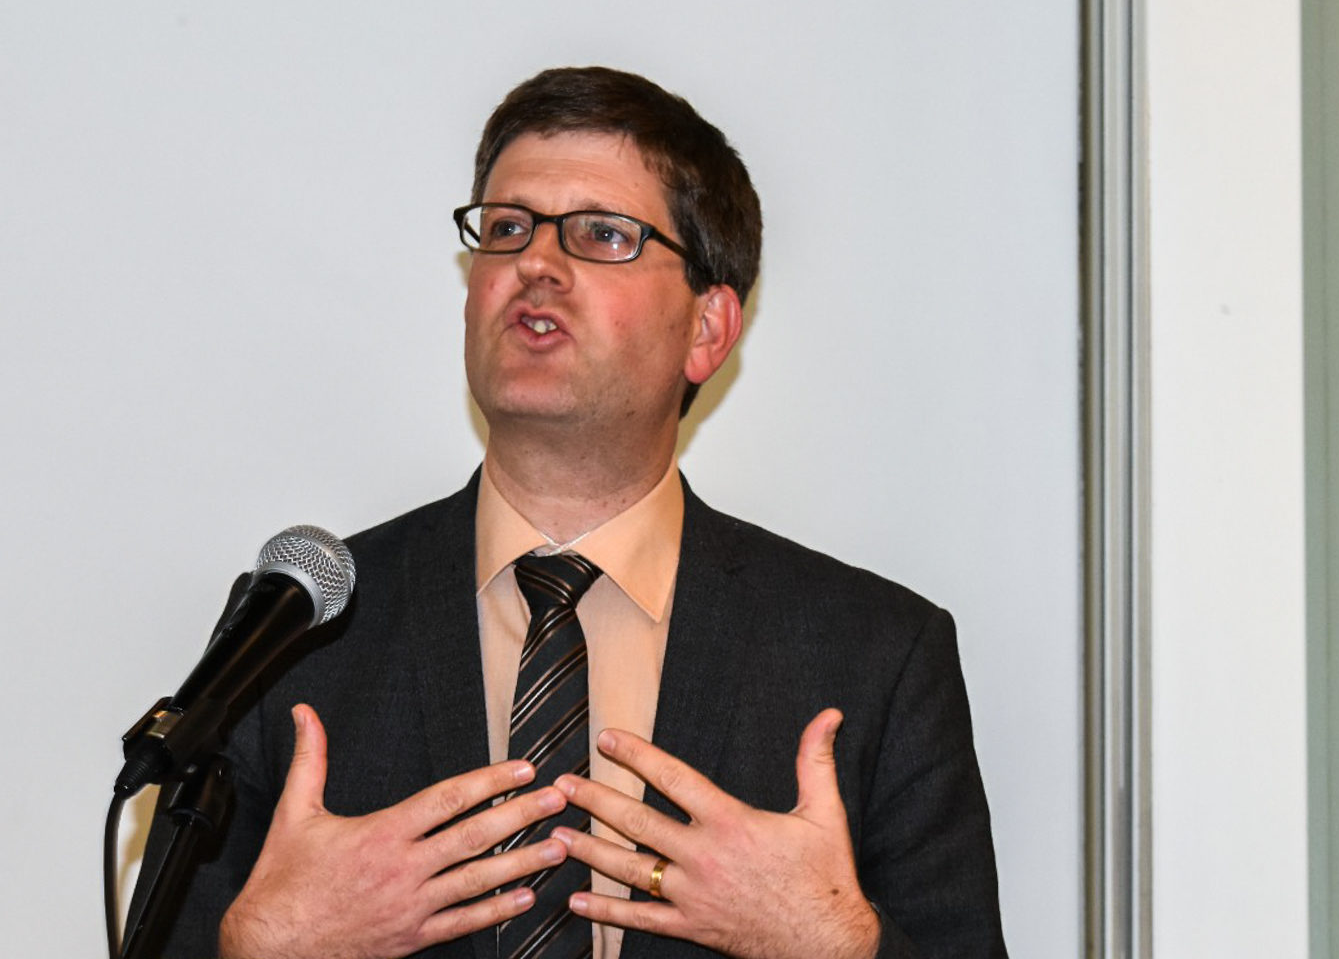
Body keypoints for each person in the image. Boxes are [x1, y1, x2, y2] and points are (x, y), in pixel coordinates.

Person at [137, 67, 1006, 959]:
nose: (536, 265)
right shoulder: (292, 633)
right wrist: (270, 946)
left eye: (602, 234)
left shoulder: (873, 655)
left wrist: (833, 942)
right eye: (508, 229)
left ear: (708, 328)